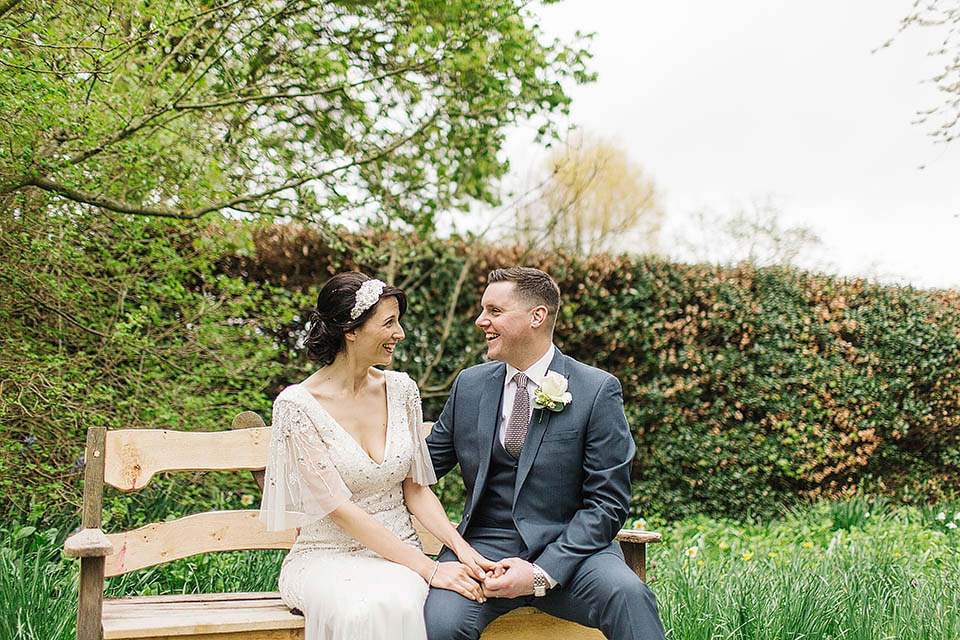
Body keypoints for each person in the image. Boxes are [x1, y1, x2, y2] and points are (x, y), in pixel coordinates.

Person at [424, 267, 666, 640]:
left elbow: (608, 503)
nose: (480, 320)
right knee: (441, 623)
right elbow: (421, 468)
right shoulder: (469, 386)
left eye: (495, 311)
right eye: (483, 310)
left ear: (537, 316)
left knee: (628, 595)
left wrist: (542, 572)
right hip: (481, 555)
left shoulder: (596, 390)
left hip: (574, 554)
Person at [259, 272, 496, 640]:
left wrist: (461, 550)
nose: (400, 333)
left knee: (402, 600)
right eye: (388, 323)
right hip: (326, 557)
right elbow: (339, 509)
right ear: (350, 330)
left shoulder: (402, 390)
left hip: (399, 559)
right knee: (366, 610)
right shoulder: (296, 406)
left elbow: (416, 490)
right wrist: (430, 570)